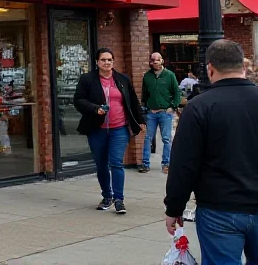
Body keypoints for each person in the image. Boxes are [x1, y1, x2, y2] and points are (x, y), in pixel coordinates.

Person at [165, 39, 258, 264]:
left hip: (219, 208)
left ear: (210, 69)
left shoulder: (198, 107)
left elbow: (183, 164)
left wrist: (174, 207)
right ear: (243, 67)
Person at [73, 48, 144, 215]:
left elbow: (133, 101)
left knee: (116, 163)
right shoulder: (87, 79)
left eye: (110, 60)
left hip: (119, 128)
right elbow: (78, 100)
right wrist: (94, 109)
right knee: (101, 165)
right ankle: (107, 197)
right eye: (103, 60)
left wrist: (141, 120)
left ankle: (119, 200)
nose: (107, 62)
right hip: (97, 129)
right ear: (97, 62)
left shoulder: (122, 79)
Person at [139, 52, 180, 174]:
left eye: (158, 59)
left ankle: (166, 165)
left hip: (165, 112)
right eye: (153, 60)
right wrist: (144, 107)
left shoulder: (170, 75)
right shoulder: (147, 76)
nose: (155, 62)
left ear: (162, 61)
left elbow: (177, 92)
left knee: (166, 139)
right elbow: (144, 94)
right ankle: (145, 165)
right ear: (150, 62)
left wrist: (173, 107)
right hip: (151, 113)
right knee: (147, 138)